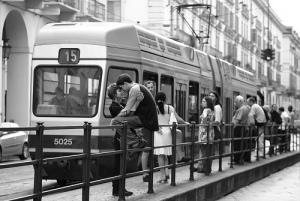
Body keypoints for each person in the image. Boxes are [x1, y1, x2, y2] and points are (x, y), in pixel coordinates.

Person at [111, 74, 159, 182]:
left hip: (145, 120)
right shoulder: (137, 87)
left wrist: (115, 119)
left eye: (121, 87)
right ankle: (134, 143)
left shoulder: (134, 89)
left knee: (116, 121)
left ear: (125, 84)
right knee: (119, 121)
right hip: (147, 119)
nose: (122, 90)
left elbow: (128, 110)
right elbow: (131, 110)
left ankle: (134, 142)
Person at [107, 83, 133, 197]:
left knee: (121, 163)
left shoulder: (120, 105)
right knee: (119, 163)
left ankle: (120, 188)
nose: (121, 92)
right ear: (114, 94)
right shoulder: (114, 106)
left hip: (121, 136)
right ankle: (117, 189)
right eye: (119, 91)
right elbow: (126, 117)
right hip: (119, 137)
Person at [153, 92, 175, 183]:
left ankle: (162, 176)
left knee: (160, 155)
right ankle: (166, 173)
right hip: (168, 132)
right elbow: (174, 120)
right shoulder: (170, 108)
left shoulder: (155, 108)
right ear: (165, 99)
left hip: (159, 132)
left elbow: (152, 121)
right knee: (165, 154)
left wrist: (157, 128)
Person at [195, 96, 214, 175]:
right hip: (210, 133)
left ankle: (204, 169)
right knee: (208, 151)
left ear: (207, 103)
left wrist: (202, 117)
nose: (202, 103)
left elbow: (205, 119)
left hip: (204, 134)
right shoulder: (211, 110)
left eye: (204, 101)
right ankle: (207, 168)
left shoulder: (206, 110)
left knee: (204, 151)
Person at [232, 95, 250, 164]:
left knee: (237, 144)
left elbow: (237, 120)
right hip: (245, 128)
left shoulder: (241, 109)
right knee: (243, 144)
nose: (235, 103)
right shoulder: (247, 108)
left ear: (240, 101)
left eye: (236, 102)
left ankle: (237, 159)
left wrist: (233, 124)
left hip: (239, 128)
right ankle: (241, 159)